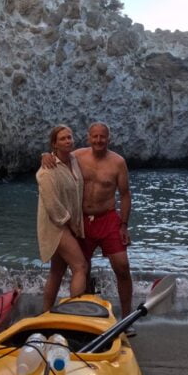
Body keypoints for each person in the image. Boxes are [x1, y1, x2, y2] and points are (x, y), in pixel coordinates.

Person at [42, 122, 133, 318]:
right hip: (81, 220)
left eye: (103, 137)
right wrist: (45, 156)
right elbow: (57, 159)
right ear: (88, 137)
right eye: (95, 137)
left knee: (122, 266)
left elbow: (125, 194)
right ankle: (83, 314)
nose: (99, 140)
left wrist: (124, 225)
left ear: (109, 138)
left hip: (107, 218)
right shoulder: (77, 157)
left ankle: (127, 317)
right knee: (82, 267)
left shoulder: (118, 162)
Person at [36, 124, 89, 312]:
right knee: (80, 266)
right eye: (63, 139)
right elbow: (52, 206)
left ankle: (46, 312)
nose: (68, 141)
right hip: (56, 226)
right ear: (54, 144)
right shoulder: (47, 171)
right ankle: (76, 313)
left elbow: (95, 149)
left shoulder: (74, 159)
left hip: (67, 224)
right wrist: (71, 225)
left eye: (70, 137)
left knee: (57, 272)